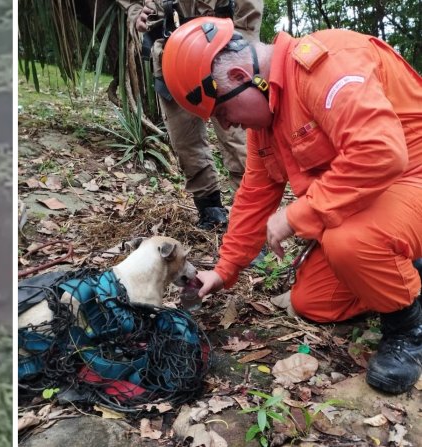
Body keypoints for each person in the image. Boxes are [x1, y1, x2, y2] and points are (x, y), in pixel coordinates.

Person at [160, 16, 422, 394]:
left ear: (238, 76)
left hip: (411, 178)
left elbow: (380, 152)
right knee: (313, 301)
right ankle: (406, 268)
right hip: (376, 200)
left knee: (349, 241)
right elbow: (254, 195)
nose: (228, 125)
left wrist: (300, 213)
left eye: (221, 113)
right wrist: (224, 270)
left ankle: (407, 331)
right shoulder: (266, 122)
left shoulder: (327, 65)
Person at [116, 0, 263, 230]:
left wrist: (242, 49)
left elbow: (249, 10)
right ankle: (210, 211)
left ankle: (252, 223)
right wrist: (136, 11)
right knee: (184, 139)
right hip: (170, 47)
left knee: (239, 140)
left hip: (223, 43)